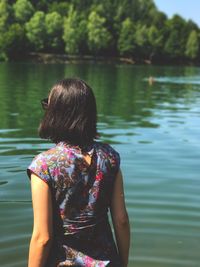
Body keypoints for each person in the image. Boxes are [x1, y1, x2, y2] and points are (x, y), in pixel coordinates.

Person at [27, 78, 130, 267]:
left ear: (56, 113)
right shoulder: (110, 158)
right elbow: (121, 220)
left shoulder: (44, 165)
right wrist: (122, 263)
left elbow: (43, 238)